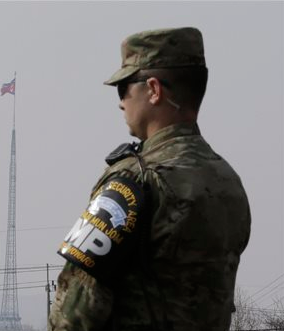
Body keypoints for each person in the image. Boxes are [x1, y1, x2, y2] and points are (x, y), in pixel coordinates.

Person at [48, 27, 251, 331]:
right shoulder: (228, 181)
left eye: (124, 88)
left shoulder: (133, 181)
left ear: (154, 90)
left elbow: (74, 313)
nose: (121, 102)